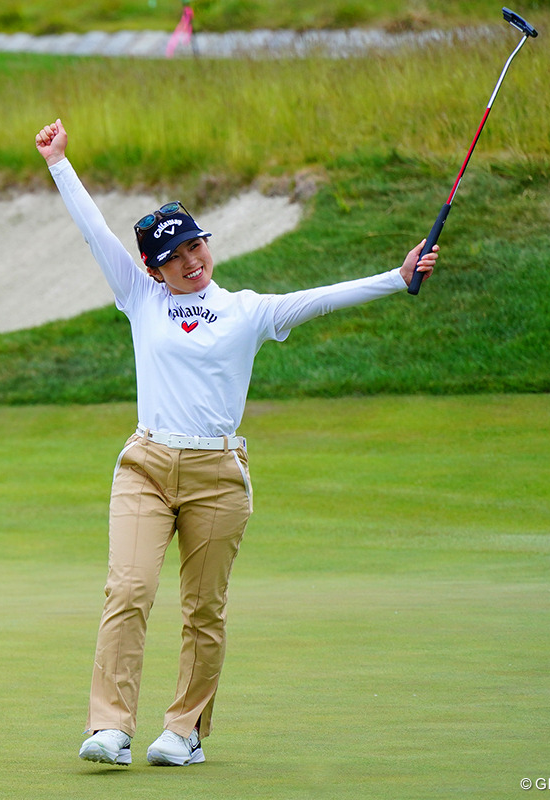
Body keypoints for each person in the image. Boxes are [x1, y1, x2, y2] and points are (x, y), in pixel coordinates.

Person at [33, 118, 437, 768]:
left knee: (203, 608)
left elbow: (321, 299)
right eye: (175, 256)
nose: (191, 262)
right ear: (152, 266)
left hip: (219, 472)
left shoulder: (248, 309)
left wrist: (398, 276)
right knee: (128, 590)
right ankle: (110, 728)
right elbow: (94, 232)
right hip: (146, 466)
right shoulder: (139, 297)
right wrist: (59, 163)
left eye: (196, 247)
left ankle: (185, 731)